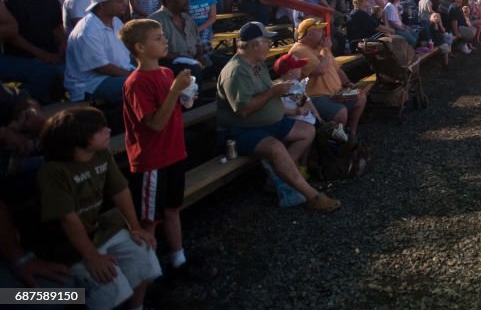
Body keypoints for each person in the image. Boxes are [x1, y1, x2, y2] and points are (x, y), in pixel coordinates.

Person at [36, 107, 161, 310]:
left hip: (99, 230)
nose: (109, 130)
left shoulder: (100, 153)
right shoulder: (53, 172)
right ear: (79, 139)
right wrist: (92, 256)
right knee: (106, 281)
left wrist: (135, 227)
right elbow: (68, 219)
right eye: (100, 129)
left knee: (143, 253)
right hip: (67, 246)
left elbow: (120, 190)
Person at [215, 22, 340, 212]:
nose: (270, 45)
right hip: (241, 131)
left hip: (269, 123)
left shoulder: (257, 65)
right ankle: (312, 196)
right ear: (254, 45)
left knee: (307, 131)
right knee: (276, 147)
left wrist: (283, 93)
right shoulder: (236, 72)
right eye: (266, 41)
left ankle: (279, 176)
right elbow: (243, 110)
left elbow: (267, 92)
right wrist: (274, 92)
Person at [119, 19, 209, 283]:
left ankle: (178, 260)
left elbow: (175, 110)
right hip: (152, 160)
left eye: (162, 36)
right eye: (157, 38)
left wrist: (186, 95)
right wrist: (174, 92)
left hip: (174, 152)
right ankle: (146, 274)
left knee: (172, 208)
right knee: (149, 220)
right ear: (139, 47)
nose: (165, 41)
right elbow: (155, 123)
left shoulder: (167, 73)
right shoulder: (136, 83)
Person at [288, 17, 366, 142]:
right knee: (341, 112)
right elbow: (320, 70)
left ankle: (351, 134)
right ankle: (333, 142)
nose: (324, 33)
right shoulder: (299, 50)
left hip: (335, 93)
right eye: (319, 31)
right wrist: (325, 49)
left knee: (360, 97)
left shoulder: (320, 48)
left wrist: (347, 83)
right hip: (315, 97)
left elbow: (337, 69)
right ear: (310, 34)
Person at [64, 0, 134, 104]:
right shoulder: (87, 30)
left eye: (124, 0)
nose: (124, 4)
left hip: (117, 74)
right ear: (102, 5)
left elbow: (128, 52)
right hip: (90, 84)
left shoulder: (116, 21)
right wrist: (136, 76)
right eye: (118, 1)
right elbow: (103, 68)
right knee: (141, 85)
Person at [148, 0, 207, 79]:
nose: (187, 2)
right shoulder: (155, 21)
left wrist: (200, 55)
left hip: (192, 59)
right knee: (193, 70)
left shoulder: (187, 18)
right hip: (170, 63)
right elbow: (156, 51)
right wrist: (185, 59)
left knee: (222, 62)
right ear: (169, 1)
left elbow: (197, 41)